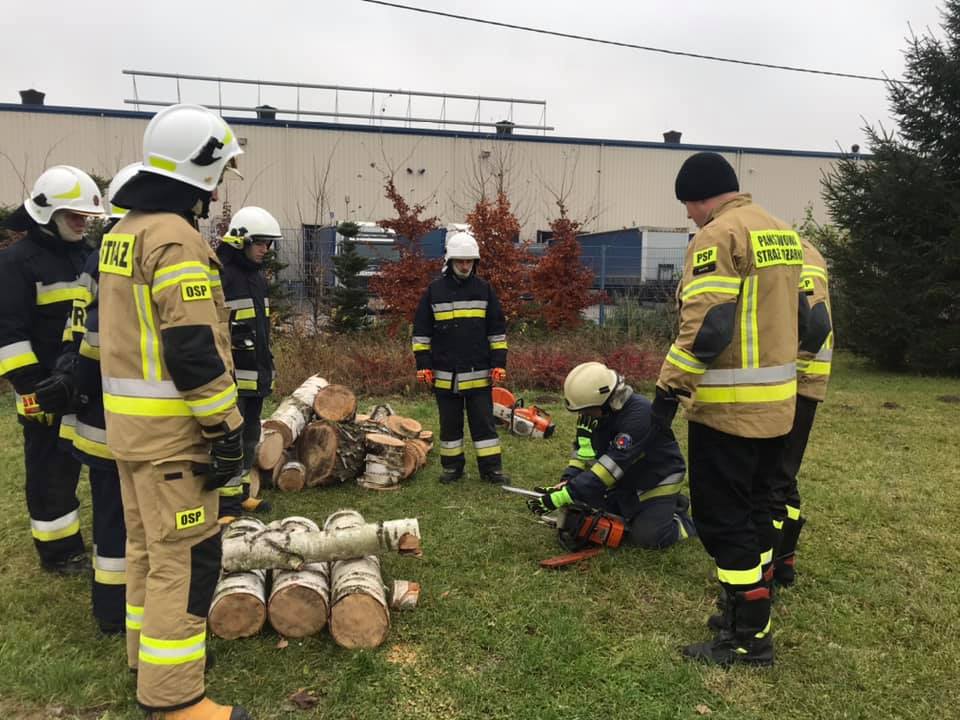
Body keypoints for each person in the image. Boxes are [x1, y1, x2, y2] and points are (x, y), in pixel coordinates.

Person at [98, 103, 251, 719]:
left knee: (146, 549)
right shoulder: (175, 238)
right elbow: (192, 348)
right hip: (173, 438)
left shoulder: (124, 232)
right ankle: (175, 698)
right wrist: (226, 427)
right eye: (220, 175)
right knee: (185, 559)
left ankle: (147, 661)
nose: (218, 192)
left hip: (132, 434)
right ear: (202, 170)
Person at [653, 152, 808, 667]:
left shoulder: (718, 236)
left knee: (723, 522)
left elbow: (708, 326)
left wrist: (668, 390)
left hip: (729, 411)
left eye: (688, 206)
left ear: (699, 196)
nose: (689, 217)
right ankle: (745, 614)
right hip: (778, 408)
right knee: (759, 512)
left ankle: (747, 640)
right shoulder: (783, 234)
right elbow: (807, 320)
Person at [43, 163, 142, 634]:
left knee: (113, 516)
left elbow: (77, 334)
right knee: (120, 517)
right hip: (119, 417)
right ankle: (115, 610)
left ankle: (113, 605)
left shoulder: (96, 262)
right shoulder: (126, 261)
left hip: (100, 411)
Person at [0, 165, 104, 574]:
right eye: (74, 216)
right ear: (46, 213)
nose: (82, 223)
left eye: (86, 217)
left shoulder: (83, 255)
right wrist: (34, 389)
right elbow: (8, 334)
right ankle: (58, 551)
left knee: (88, 461)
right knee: (49, 471)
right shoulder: (15, 263)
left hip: (82, 382)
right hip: (41, 387)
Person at [527, 361, 696, 549]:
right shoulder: (596, 414)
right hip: (625, 478)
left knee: (646, 538)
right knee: (581, 510)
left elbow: (610, 468)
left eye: (586, 410)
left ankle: (682, 520)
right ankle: (646, 508)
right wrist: (567, 482)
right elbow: (583, 455)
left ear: (606, 402)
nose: (583, 414)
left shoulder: (640, 415)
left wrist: (568, 493)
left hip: (657, 480)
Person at [412, 229, 509, 484]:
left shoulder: (485, 290)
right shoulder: (434, 291)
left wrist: (499, 363)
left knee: (484, 425)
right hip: (445, 376)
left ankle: (491, 470)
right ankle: (452, 468)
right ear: (450, 261)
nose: (465, 266)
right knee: (450, 426)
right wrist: (423, 365)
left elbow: (497, 331)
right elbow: (421, 333)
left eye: (469, 261)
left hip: (479, 375)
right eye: (460, 261)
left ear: (475, 262)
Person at [768, 237, 833, 587]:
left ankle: (763, 574)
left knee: (772, 483)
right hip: (804, 386)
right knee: (785, 478)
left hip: (797, 387)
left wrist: (791, 371)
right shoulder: (804, 251)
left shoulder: (800, 255)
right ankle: (784, 563)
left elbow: (817, 323)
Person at [216, 206, 281, 520]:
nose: (265, 249)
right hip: (230, 377)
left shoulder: (256, 277)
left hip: (255, 373)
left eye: (268, 243)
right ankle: (223, 502)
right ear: (240, 241)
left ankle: (241, 493)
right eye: (260, 242)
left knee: (250, 434)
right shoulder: (221, 275)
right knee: (227, 438)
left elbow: (260, 330)